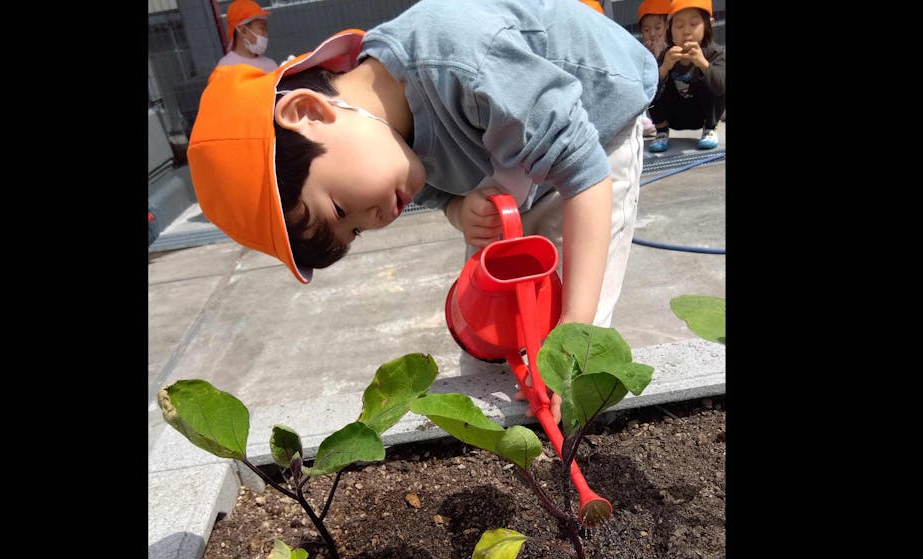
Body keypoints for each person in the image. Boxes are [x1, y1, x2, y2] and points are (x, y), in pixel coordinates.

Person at [187, 0, 657, 421]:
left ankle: (570, 415)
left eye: (339, 207)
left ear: (309, 112)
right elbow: (434, 186)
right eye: (357, 232)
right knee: (491, 313)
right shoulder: (386, 148)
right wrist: (456, 206)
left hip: (596, 117)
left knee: (568, 322)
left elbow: (584, 174)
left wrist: (573, 330)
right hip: (512, 146)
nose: (374, 220)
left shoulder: (458, 55)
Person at [647, 0, 725, 152]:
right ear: (670, 30)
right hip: (674, 116)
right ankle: (661, 131)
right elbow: (649, 90)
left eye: (694, 24)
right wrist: (665, 67)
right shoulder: (667, 55)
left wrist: (702, 63)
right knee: (656, 78)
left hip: (702, 114)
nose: (686, 31)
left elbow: (721, 86)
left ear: (708, 24)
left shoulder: (715, 53)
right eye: (679, 26)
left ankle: (709, 128)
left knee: (716, 76)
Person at [637, 0, 671, 137]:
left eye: (658, 28)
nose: (652, 34)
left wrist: (660, 55)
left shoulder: (674, 46)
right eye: (646, 30)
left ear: (668, 26)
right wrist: (651, 55)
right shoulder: (641, 51)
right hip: (655, 105)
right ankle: (645, 119)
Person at [216, 0, 278, 72]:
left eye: (266, 29)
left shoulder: (271, 65)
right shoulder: (225, 67)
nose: (266, 34)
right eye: (262, 28)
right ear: (243, 30)